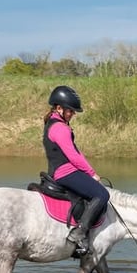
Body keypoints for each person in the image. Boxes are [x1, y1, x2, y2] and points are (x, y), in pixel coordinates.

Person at [43, 85, 109, 256]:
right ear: (59, 108)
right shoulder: (60, 128)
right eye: (70, 111)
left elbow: (76, 153)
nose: (73, 114)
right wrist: (91, 173)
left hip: (63, 170)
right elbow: (73, 156)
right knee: (102, 195)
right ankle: (79, 233)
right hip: (64, 172)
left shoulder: (55, 124)